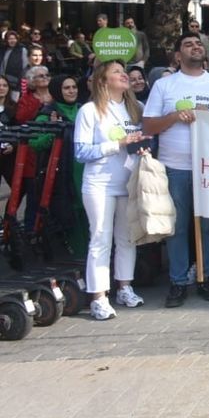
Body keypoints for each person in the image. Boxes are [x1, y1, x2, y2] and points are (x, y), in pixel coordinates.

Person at [142, 32, 209, 307]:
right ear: (177, 55)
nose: (195, 47)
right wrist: (173, 117)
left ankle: (205, 276)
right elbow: (148, 126)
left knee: (208, 226)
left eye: (199, 44)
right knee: (178, 227)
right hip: (176, 166)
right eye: (188, 44)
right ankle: (178, 281)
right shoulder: (165, 86)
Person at [73, 61, 149, 320]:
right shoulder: (89, 111)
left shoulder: (137, 108)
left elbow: (147, 138)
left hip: (129, 182)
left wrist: (143, 147)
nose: (124, 75)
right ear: (102, 80)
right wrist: (116, 144)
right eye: (116, 72)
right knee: (101, 238)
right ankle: (98, 296)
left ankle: (125, 287)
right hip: (99, 184)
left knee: (127, 238)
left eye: (123, 71)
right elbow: (81, 152)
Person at [1, 31, 27, 100]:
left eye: (14, 39)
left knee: (13, 103)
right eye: (9, 39)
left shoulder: (22, 50)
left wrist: (21, 81)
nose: (12, 41)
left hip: (16, 82)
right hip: (3, 81)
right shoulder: (3, 49)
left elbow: (25, 67)